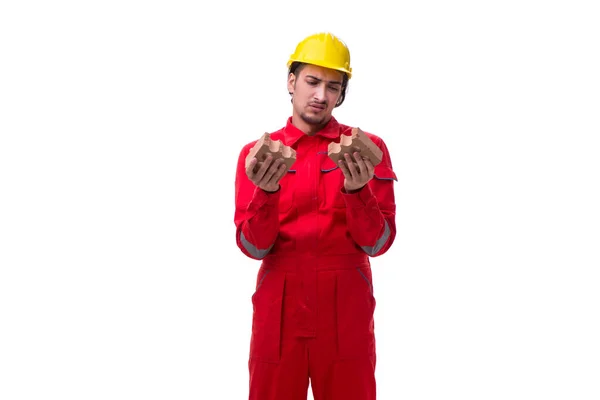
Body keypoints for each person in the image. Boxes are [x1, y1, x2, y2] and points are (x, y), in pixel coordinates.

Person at [233, 32, 398, 400]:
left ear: (341, 93)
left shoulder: (368, 151)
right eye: (312, 81)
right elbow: (252, 247)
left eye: (333, 86)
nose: (321, 95)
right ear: (291, 82)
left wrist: (358, 193)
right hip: (279, 309)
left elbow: (379, 242)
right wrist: (267, 192)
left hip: (346, 312)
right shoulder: (258, 156)